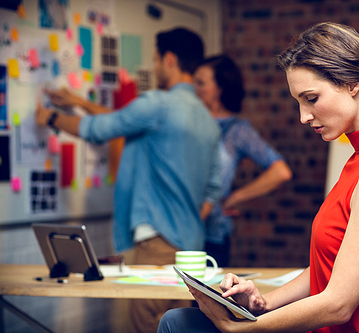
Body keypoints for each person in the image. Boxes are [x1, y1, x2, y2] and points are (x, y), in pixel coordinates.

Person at [157, 22, 359, 333]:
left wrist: (245, 328)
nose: (304, 116)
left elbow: (339, 304)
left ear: (352, 83)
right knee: (179, 321)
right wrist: (262, 302)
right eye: (299, 102)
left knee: (180, 324)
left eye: (312, 98)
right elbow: (329, 270)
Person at [35, 28, 222, 333]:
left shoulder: (157, 104)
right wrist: (184, 217)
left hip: (158, 245)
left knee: (146, 327)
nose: (154, 66)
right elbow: (214, 188)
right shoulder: (206, 118)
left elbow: (100, 128)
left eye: (155, 60)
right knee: (178, 327)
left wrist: (51, 118)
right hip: (192, 249)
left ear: (170, 59)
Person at [193, 55, 293, 267]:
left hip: (213, 236)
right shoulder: (188, 123)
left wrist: (233, 198)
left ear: (219, 88)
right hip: (177, 232)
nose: (194, 88)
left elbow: (280, 171)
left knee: (206, 298)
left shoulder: (236, 130)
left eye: (201, 82)